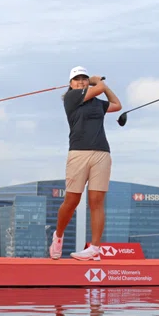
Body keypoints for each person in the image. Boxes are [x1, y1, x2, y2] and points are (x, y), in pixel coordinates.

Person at [49, 66, 121, 261]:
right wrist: (97, 82)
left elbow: (116, 105)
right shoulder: (71, 98)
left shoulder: (97, 102)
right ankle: (59, 235)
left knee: (97, 202)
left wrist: (102, 86)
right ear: (71, 84)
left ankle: (95, 248)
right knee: (72, 200)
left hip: (101, 153)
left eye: (84, 78)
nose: (80, 81)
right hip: (78, 153)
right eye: (77, 79)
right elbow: (98, 88)